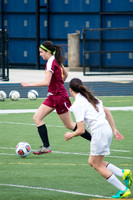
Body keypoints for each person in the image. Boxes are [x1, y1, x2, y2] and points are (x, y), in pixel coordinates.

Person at [64, 78, 132, 199]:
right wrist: (114, 130)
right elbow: (107, 111)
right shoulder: (90, 97)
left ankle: (123, 190)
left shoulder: (78, 104)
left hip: (99, 132)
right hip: (106, 129)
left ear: (70, 90)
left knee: (97, 165)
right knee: (93, 162)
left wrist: (70, 135)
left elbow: (81, 130)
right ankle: (123, 173)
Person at [21, 41, 91, 155]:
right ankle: (46, 147)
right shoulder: (54, 59)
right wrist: (59, 84)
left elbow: (46, 82)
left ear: (48, 52)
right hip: (52, 96)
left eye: (41, 52)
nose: (40, 54)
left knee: (69, 125)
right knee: (37, 118)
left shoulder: (50, 62)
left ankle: (94, 141)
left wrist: (29, 84)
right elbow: (66, 74)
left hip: (59, 98)